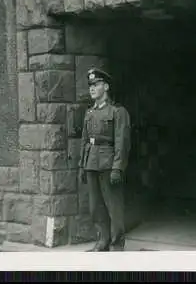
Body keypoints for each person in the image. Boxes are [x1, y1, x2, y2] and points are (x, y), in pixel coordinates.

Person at [78, 67, 131, 252]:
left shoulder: (118, 111)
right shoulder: (90, 112)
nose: (92, 88)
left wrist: (118, 167)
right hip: (91, 162)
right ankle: (103, 241)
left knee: (113, 206)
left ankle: (117, 244)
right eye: (90, 85)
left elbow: (122, 143)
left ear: (106, 87)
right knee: (95, 207)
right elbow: (84, 140)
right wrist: (82, 165)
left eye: (96, 84)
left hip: (109, 164)